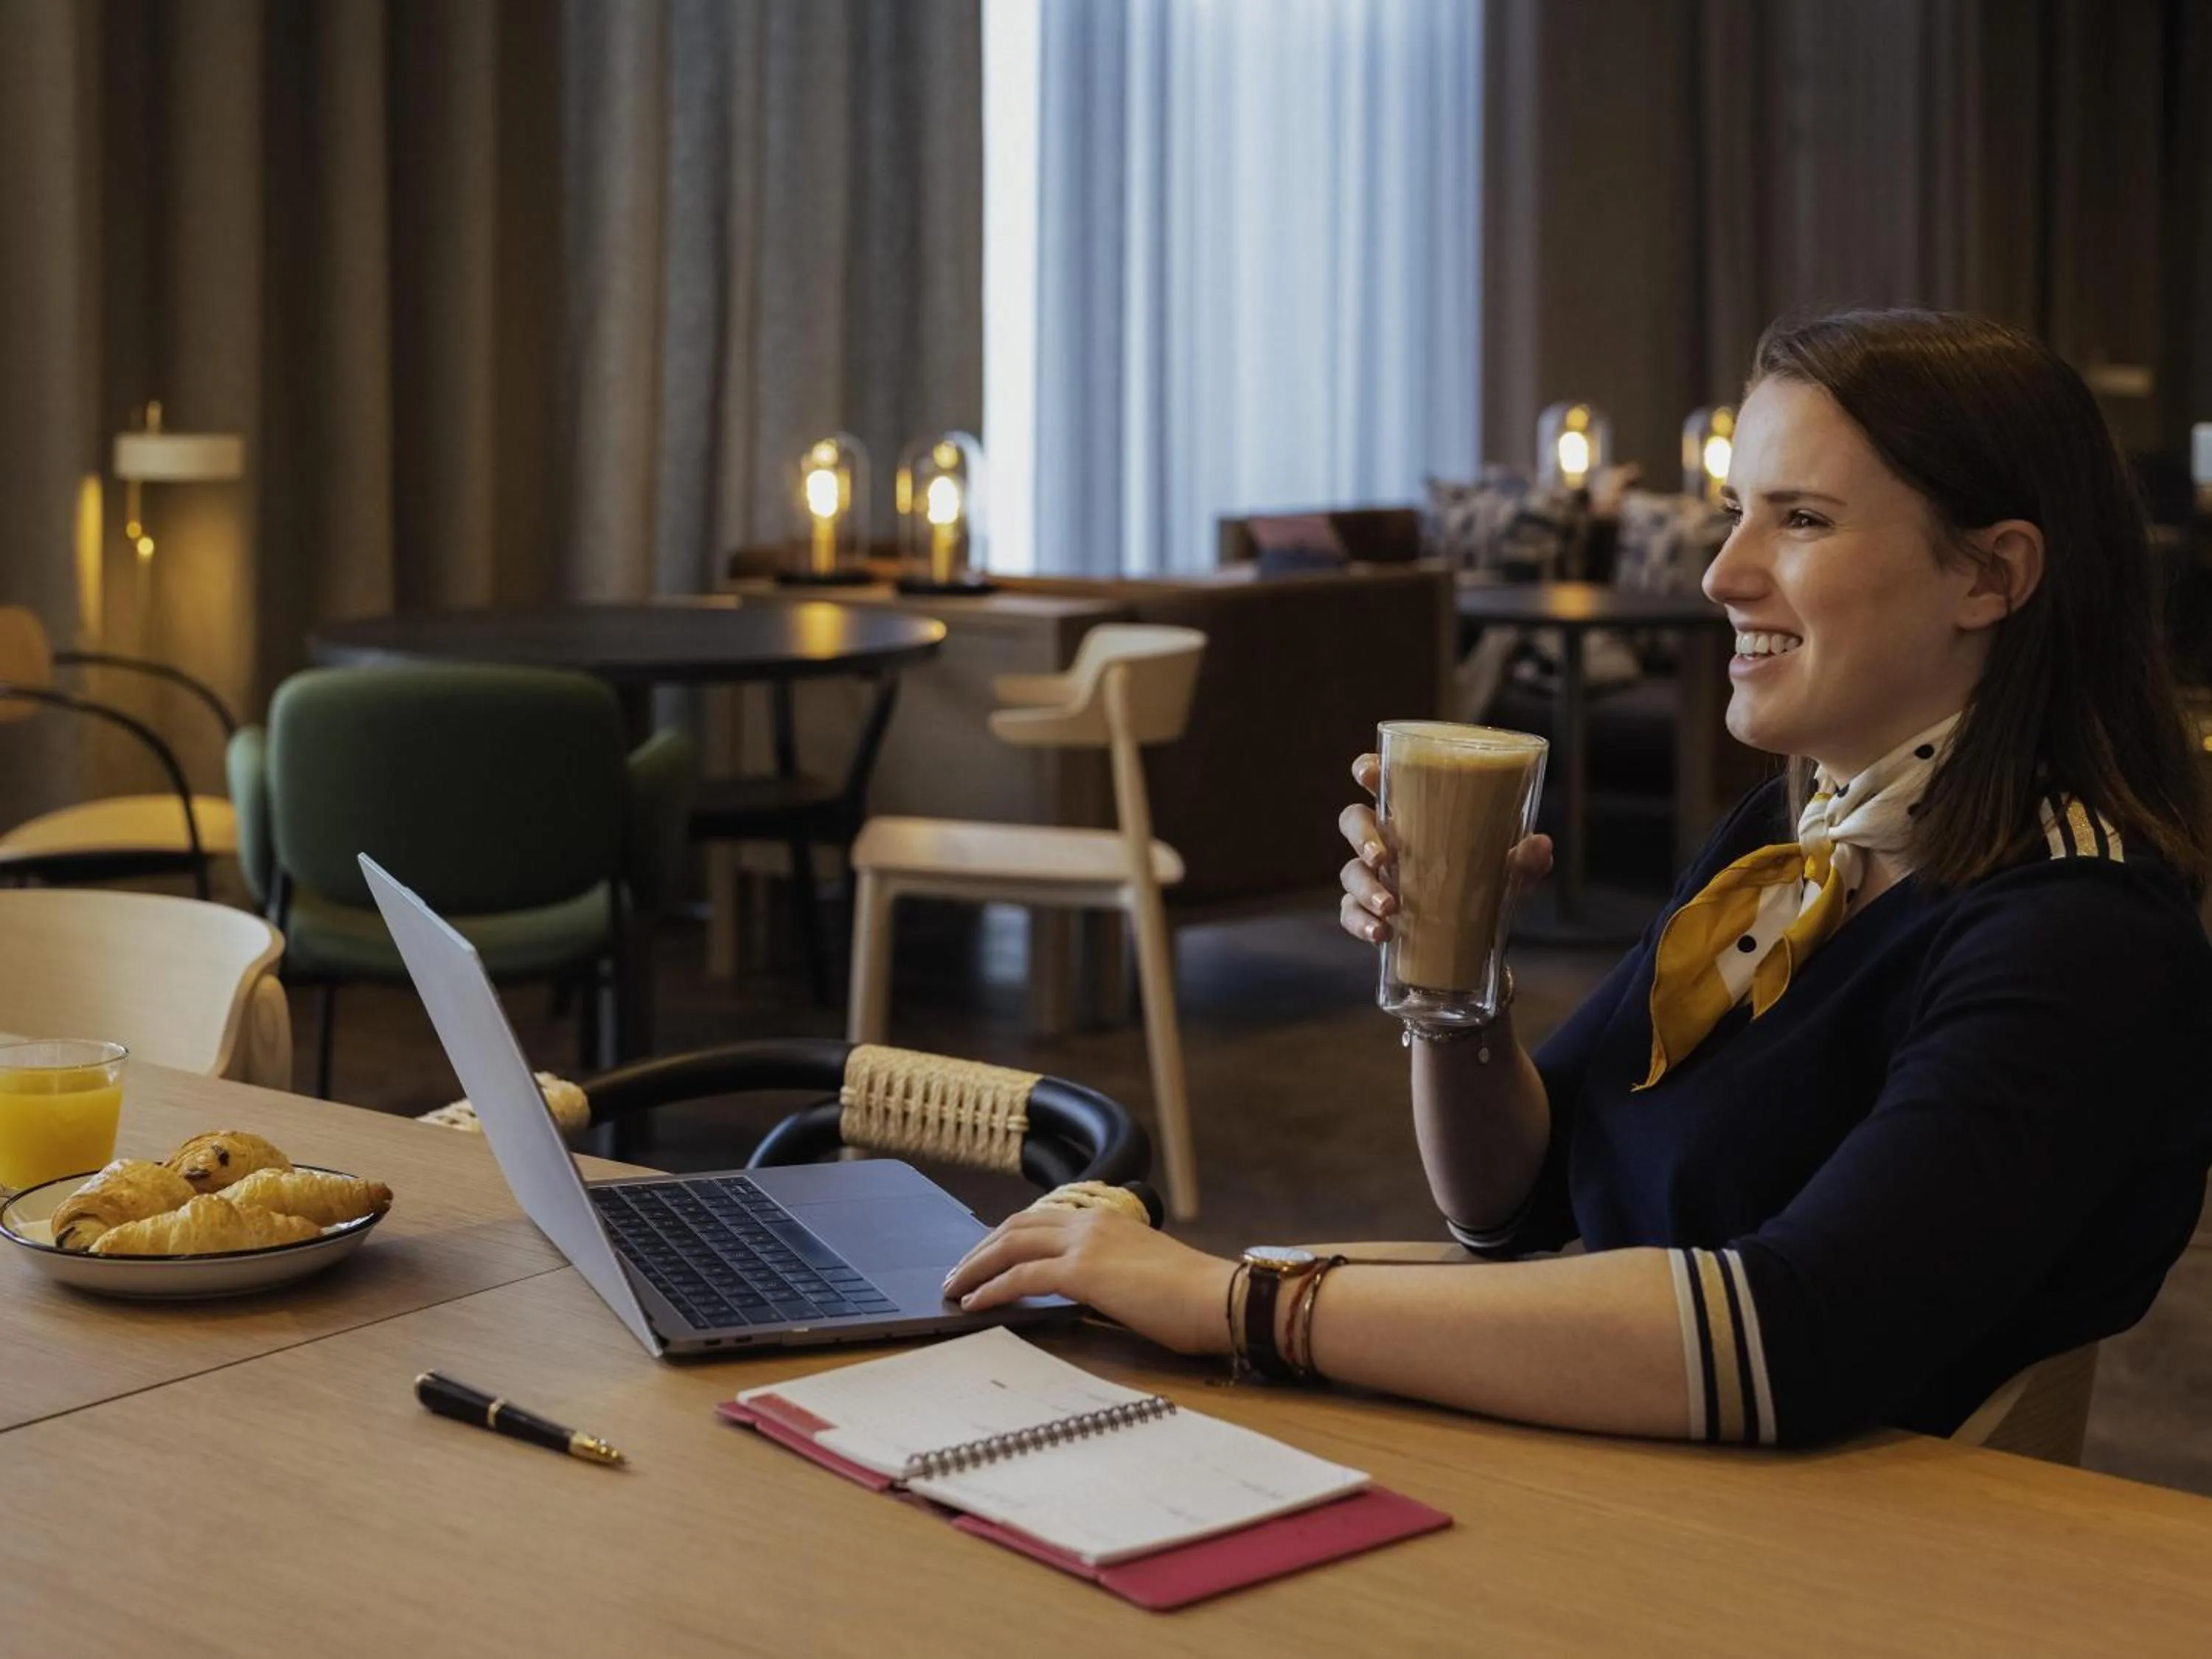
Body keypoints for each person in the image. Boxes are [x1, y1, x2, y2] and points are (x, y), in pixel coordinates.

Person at [945, 310, 2212, 1447]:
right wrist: (1458, 976)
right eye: (1736, 513)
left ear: (1991, 574)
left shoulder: (2076, 928)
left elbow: (1788, 1337)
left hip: (1824, 1564)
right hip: (1640, 1473)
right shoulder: (1790, 846)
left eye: (1803, 518)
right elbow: (1510, 1199)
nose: (1724, 574)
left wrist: (1232, 1297)